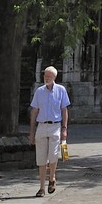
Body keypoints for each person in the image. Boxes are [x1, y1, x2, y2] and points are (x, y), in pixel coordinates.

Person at [29, 66, 70, 197]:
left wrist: (64, 128)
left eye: (49, 76)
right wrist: (32, 131)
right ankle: (41, 187)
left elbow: (64, 110)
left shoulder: (61, 90)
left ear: (54, 78)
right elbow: (34, 111)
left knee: (53, 155)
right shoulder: (39, 91)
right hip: (41, 125)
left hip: (55, 126)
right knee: (40, 158)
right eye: (45, 76)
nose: (46, 78)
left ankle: (52, 178)